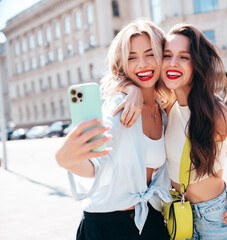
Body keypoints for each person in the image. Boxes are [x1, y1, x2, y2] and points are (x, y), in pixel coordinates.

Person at [116, 23, 227, 240]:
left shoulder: (213, 113)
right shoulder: (168, 106)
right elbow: (117, 78)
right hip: (181, 220)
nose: (172, 63)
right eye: (167, 55)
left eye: (184, 57)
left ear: (197, 64)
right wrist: (131, 90)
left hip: (219, 221)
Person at [55, 20, 172, 240]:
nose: (142, 64)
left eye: (150, 54)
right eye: (131, 57)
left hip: (150, 219)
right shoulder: (119, 106)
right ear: (122, 63)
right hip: (108, 226)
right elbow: (98, 165)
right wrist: (67, 160)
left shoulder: (163, 111)